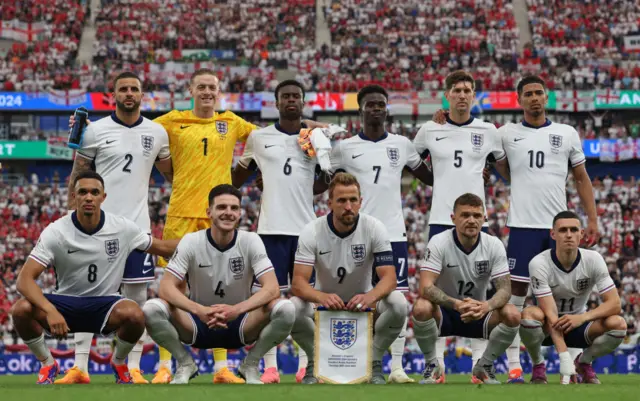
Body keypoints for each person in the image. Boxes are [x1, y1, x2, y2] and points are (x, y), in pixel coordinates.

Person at [70, 69, 327, 384]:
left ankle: (221, 368)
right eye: (201, 86)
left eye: (212, 88)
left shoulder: (231, 122)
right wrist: (82, 129)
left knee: (223, 287)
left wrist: (313, 127)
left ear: (218, 93)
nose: (207, 92)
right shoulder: (167, 123)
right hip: (181, 214)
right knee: (173, 289)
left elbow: (275, 131)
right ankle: (167, 365)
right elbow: (134, 128)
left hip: (218, 215)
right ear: (190, 90)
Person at [10, 171, 179, 384]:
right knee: (20, 310)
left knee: (136, 314)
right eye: (83, 192)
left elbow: (161, 247)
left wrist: (202, 240)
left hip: (105, 304)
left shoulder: (123, 228)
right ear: (74, 197)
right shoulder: (56, 231)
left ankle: (118, 363)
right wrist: (51, 311)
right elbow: (24, 280)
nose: (88, 197)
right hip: (66, 303)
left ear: (103, 197)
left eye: (94, 192)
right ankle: (47, 364)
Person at [64, 71, 172, 384]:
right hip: (96, 229)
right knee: (84, 298)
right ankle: (80, 369)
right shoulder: (94, 131)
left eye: (134, 89)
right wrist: (73, 218)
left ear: (142, 94)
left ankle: (131, 366)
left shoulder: (157, 132)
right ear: (114, 94)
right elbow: (78, 175)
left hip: (137, 230)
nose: (128, 93)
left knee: (137, 300)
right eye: (123, 89)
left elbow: (172, 175)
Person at [322, 85, 432, 383]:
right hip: (355, 236)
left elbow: (431, 177)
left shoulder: (402, 144)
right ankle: (348, 363)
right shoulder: (344, 147)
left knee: (395, 300)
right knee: (356, 298)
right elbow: (321, 183)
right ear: (360, 110)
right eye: (370, 104)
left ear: (387, 109)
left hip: (393, 234)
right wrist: (314, 150)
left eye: (380, 104)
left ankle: (395, 367)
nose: (376, 108)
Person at [498, 75, 599, 383]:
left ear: (546, 97)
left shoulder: (566, 133)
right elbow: (502, 168)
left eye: (539, 92)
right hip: (523, 227)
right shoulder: (506, 133)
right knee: (515, 298)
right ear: (519, 100)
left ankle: (579, 359)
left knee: (569, 293)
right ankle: (517, 365)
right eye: (528, 94)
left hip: (558, 229)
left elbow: (581, 178)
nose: (534, 98)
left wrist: (592, 220)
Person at [142, 184, 295, 384]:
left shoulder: (251, 241)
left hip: (241, 324)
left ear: (240, 213)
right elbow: (166, 287)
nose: (228, 213)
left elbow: (272, 288)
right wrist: (199, 310)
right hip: (196, 325)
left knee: (286, 309)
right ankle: (186, 363)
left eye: (233, 208)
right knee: (151, 309)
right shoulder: (191, 241)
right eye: (221, 207)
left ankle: (250, 364)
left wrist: (236, 310)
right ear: (209, 212)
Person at [413, 70, 509, 383]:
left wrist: (487, 174)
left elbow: (499, 165)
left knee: (481, 287)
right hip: (440, 219)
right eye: (457, 90)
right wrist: (438, 181)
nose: (463, 94)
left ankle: (483, 364)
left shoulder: (487, 130)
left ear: (474, 95)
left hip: (473, 220)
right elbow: (411, 161)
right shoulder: (429, 129)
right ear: (448, 95)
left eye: (468, 89)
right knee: (430, 296)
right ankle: (434, 365)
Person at [232, 80, 326, 383]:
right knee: (267, 302)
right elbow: (236, 178)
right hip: (269, 230)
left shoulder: (313, 137)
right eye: (285, 96)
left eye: (296, 96)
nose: (291, 100)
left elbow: (325, 181)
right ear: (276, 102)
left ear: (302, 102)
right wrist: (262, 177)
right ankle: (269, 367)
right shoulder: (259, 138)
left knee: (304, 305)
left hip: (305, 232)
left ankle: (305, 366)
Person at [289, 172, 407, 385]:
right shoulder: (312, 230)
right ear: (330, 202)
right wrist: (321, 297)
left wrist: (369, 297)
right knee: (290, 309)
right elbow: (298, 283)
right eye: (341, 200)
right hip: (323, 306)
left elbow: (389, 278)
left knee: (399, 303)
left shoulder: (374, 227)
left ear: (361, 202)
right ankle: (314, 362)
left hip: (364, 304)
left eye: (353, 200)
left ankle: (375, 361)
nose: (348, 206)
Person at [412, 193, 520, 384]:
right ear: (453, 218)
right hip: (446, 312)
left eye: (477, 216)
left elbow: (505, 290)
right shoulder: (439, 241)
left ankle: (484, 366)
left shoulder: (493, 245)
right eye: (465, 215)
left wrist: (485, 306)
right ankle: (432, 365)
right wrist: (456, 304)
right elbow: (425, 287)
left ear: (484, 219)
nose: (471, 220)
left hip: (479, 312)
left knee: (512, 314)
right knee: (421, 307)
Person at [520, 211, 626, 385]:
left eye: (573, 229)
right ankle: (538, 365)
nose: (568, 235)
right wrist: (564, 358)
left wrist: (582, 317)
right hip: (547, 326)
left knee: (618, 324)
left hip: (578, 324)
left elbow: (615, 303)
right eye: (562, 230)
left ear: (581, 234)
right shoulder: (539, 263)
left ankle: (583, 362)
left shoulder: (594, 259)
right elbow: (552, 314)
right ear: (553, 234)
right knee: (529, 315)